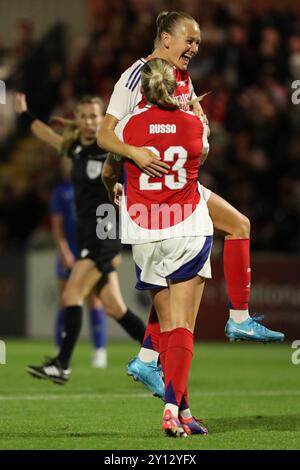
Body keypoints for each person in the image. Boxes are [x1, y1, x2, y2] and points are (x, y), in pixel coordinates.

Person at [98, 11, 285, 400]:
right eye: (189, 40)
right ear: (165, 38)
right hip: (153, 198)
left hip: (182, 186)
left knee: (236, 227)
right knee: (185, 282)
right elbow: (105, 134)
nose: (195, 48)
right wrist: (130, 159)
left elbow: (189, 121)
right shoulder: (134, 77)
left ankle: (218, 328)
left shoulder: (179, 77)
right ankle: (217, 334)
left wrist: (199, 123)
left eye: (198, 41)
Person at [103, 58, 212, 437]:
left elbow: (107, 170)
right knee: (183, 327)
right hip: (185, 227)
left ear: (142, 91)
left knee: (166, 329)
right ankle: (171, 408)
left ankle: (184, 412)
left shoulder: (128, 126)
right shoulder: (192, 124)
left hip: (143, 234)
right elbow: (203, 155)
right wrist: (198, 115)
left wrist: (118, 185)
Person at [15, 93, 146, 384]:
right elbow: (46, 134)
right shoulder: (74, 148)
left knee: (71, 294)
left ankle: (62, 365)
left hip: (104, 236)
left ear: (104, 119)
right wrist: (25, 114)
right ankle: (157, 355)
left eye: (95, 116)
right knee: (115, 308)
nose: (89, 122)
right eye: (85, 116)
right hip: (90, 237)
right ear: (79, 119)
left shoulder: (113, 149)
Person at [51, 178, 107, 368]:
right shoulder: (61, 191)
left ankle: (99, 350)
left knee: (94, 299)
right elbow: (57, 225)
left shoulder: (94, 187)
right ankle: (61, 349)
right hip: (69, 254)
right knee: (65, 299)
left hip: (90, 252)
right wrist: (64, 251)